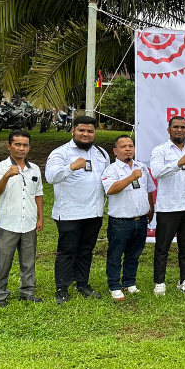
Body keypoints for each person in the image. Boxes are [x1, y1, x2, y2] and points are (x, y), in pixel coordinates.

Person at [46, 115, 111, 304]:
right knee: (67, 251)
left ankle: (82, 283)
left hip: (94, 212)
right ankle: (62, 288)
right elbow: (50, 177)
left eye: (90, 131)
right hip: (69, 212)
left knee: (86, 250)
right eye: (82, 130)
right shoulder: (61, 153)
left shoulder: (101, 154)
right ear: (73, 130)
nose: (86, 134)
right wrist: (71, 167)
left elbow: (106, 179)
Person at [149, 116, 185, 296]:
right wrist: (177, 164)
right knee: (162, 248)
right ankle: (160, 283)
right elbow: (156, 172)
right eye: (175, 127)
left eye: (182, 127)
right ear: (169, 130)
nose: (179, 130)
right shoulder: (160, 150)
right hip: (168, 207)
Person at [0, 130, 44, 307]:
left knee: (28, 262)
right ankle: (0, 295)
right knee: (3, 262)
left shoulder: (34, 168)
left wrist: (40, 217)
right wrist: (6, 175)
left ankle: (27, 292)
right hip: (7, 224)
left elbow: (38, 193)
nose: (21, 148)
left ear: (29, 147)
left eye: (25, 145)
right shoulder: (0, 167)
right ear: (9, 146)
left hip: (29, 222)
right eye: (17, 144)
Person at [101, 135, 155, 301]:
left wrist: (151, 209)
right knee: (115, 255)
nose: (128, 149)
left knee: (134, 255)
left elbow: (149, 189)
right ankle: (114, 285)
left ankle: (129, 282)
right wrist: (131, 177)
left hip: (140, 220)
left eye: (130, 146)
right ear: (115, 151)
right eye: (123, 146)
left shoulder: (142, 167)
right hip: (121, 222)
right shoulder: (111, 170)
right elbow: (111, 189)